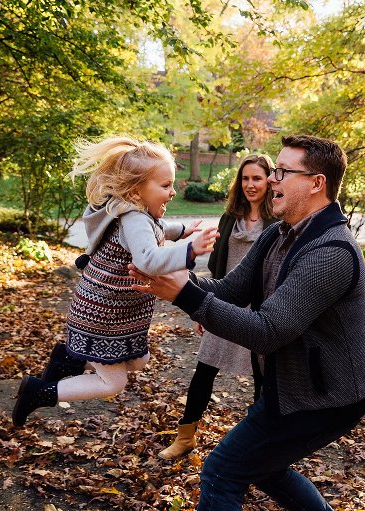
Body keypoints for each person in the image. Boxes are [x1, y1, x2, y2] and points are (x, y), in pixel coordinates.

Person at [130, 135, 365, 510]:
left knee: (222, 472)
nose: (273, 178)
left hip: (328, 396)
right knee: (264, 467)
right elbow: (230, 290)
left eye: (283, 171)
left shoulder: (332, 252)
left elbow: (268, 332)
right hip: (291, 385)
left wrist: (183, 294)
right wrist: (174, 273)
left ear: (316, 183)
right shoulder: (278, 234)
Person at [12, 136, 218, 427]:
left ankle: (69, 360)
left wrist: (182, 229)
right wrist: (190, 250)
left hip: (112, 312)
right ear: (135, 191)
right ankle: (40, 392)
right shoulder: (133, 219)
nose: (173, 192)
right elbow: (147, 258)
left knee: (139, 359)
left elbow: (157, 228)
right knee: (113, 383)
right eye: (165, 185)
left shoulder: (135, 212)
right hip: (102, 315)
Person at [159, 153, 276, 460]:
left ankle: (260, 447)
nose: (250, 184)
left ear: (269, 181)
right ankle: (185, 437)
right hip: (223, 301)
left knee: (263, 379)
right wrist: (203, 309)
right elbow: (216, 267)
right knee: (204, 370)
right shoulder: (229, 218)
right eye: (245, 178)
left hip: (259, 311)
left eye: (257, 178)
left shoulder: (277, 221)